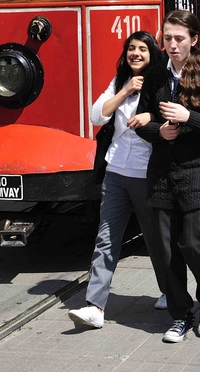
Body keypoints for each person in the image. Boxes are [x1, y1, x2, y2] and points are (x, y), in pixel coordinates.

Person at [137, 10, 200, 343]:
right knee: (166, 251)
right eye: (167, 38)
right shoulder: (155, 78)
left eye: (179, 38)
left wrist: (189, 116)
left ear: (193, 39)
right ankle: (180, 313)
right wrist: (158, 132)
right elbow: (140, 122)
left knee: (192, 242)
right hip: (163, 172)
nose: (172, 45)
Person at [68, 31, 170, 329]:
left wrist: (149, 117)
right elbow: (96, 115)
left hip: (145, 173)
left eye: (142, 49)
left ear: (152, 54)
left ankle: (170, 289)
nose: (135, 54)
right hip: (115, 171)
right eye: (131, 49)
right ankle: (95, 306)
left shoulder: (161, 83)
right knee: (106, 238)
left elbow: (169, 118)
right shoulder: (120, 81)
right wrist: (125, 91)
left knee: (156, 240)